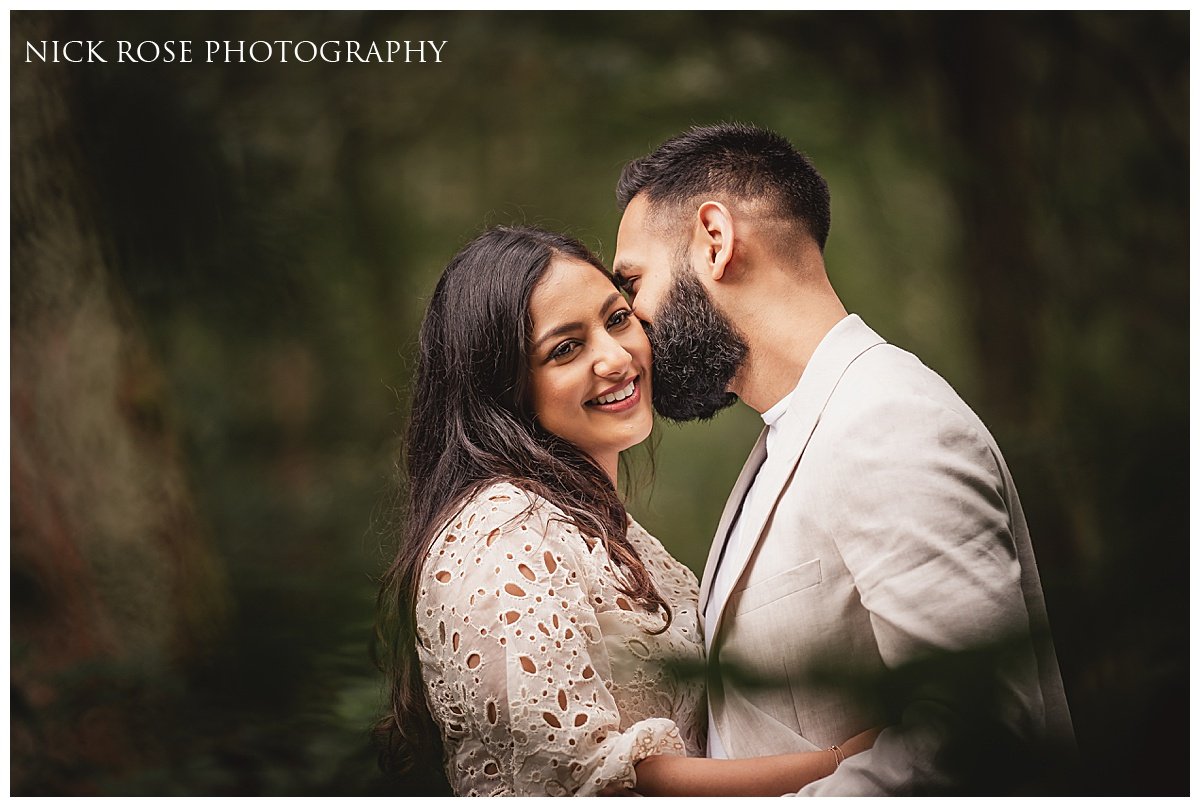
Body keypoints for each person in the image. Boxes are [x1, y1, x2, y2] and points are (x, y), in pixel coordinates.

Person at [612, 122, 1076, 795]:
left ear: (715, 240)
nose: (629, 322)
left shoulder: (888, 419)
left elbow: (980, 733)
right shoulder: (796, 431)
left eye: (633, 283)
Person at [372, 226, 878, 796]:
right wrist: (853, 760)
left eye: (616, 319)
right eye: (565, 348)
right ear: (504, 387)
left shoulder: (604, 530)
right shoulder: (501, 534)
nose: (616, 357)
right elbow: (595, 783)